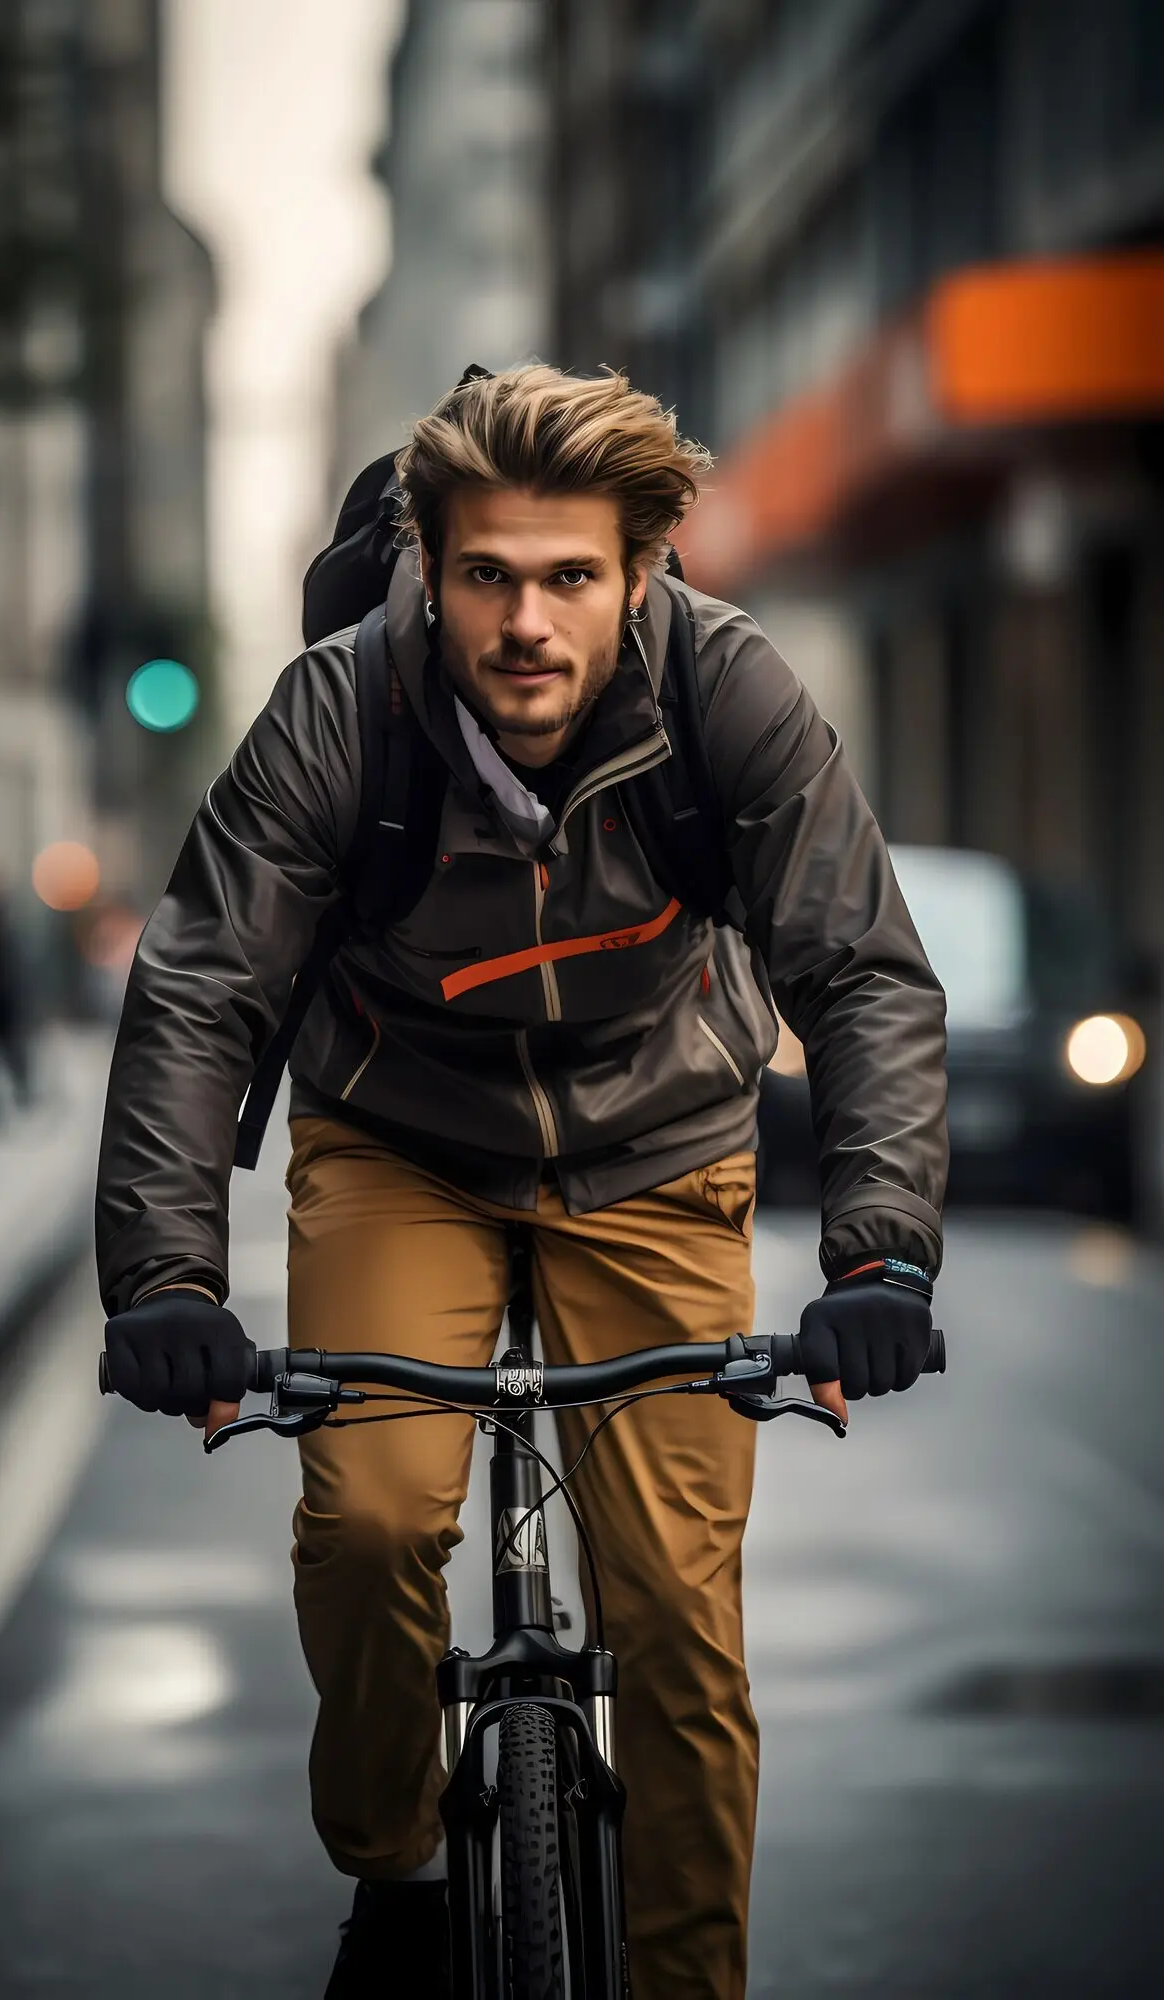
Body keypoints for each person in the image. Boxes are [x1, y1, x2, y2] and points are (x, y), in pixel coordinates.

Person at [96, 365, 947, 2000]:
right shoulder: (343, 712)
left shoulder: (731, 694)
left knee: (682, 1620)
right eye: (488, 575)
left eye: (571, 577)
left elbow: (863, 974)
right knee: (366, 1514)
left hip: (659, 1150)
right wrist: (167, 1282)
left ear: (642, 573)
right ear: (429, 563)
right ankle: (399, 1871)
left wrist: (881, 1258)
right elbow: (203, 987)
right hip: (398, 1139)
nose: (529, 625)